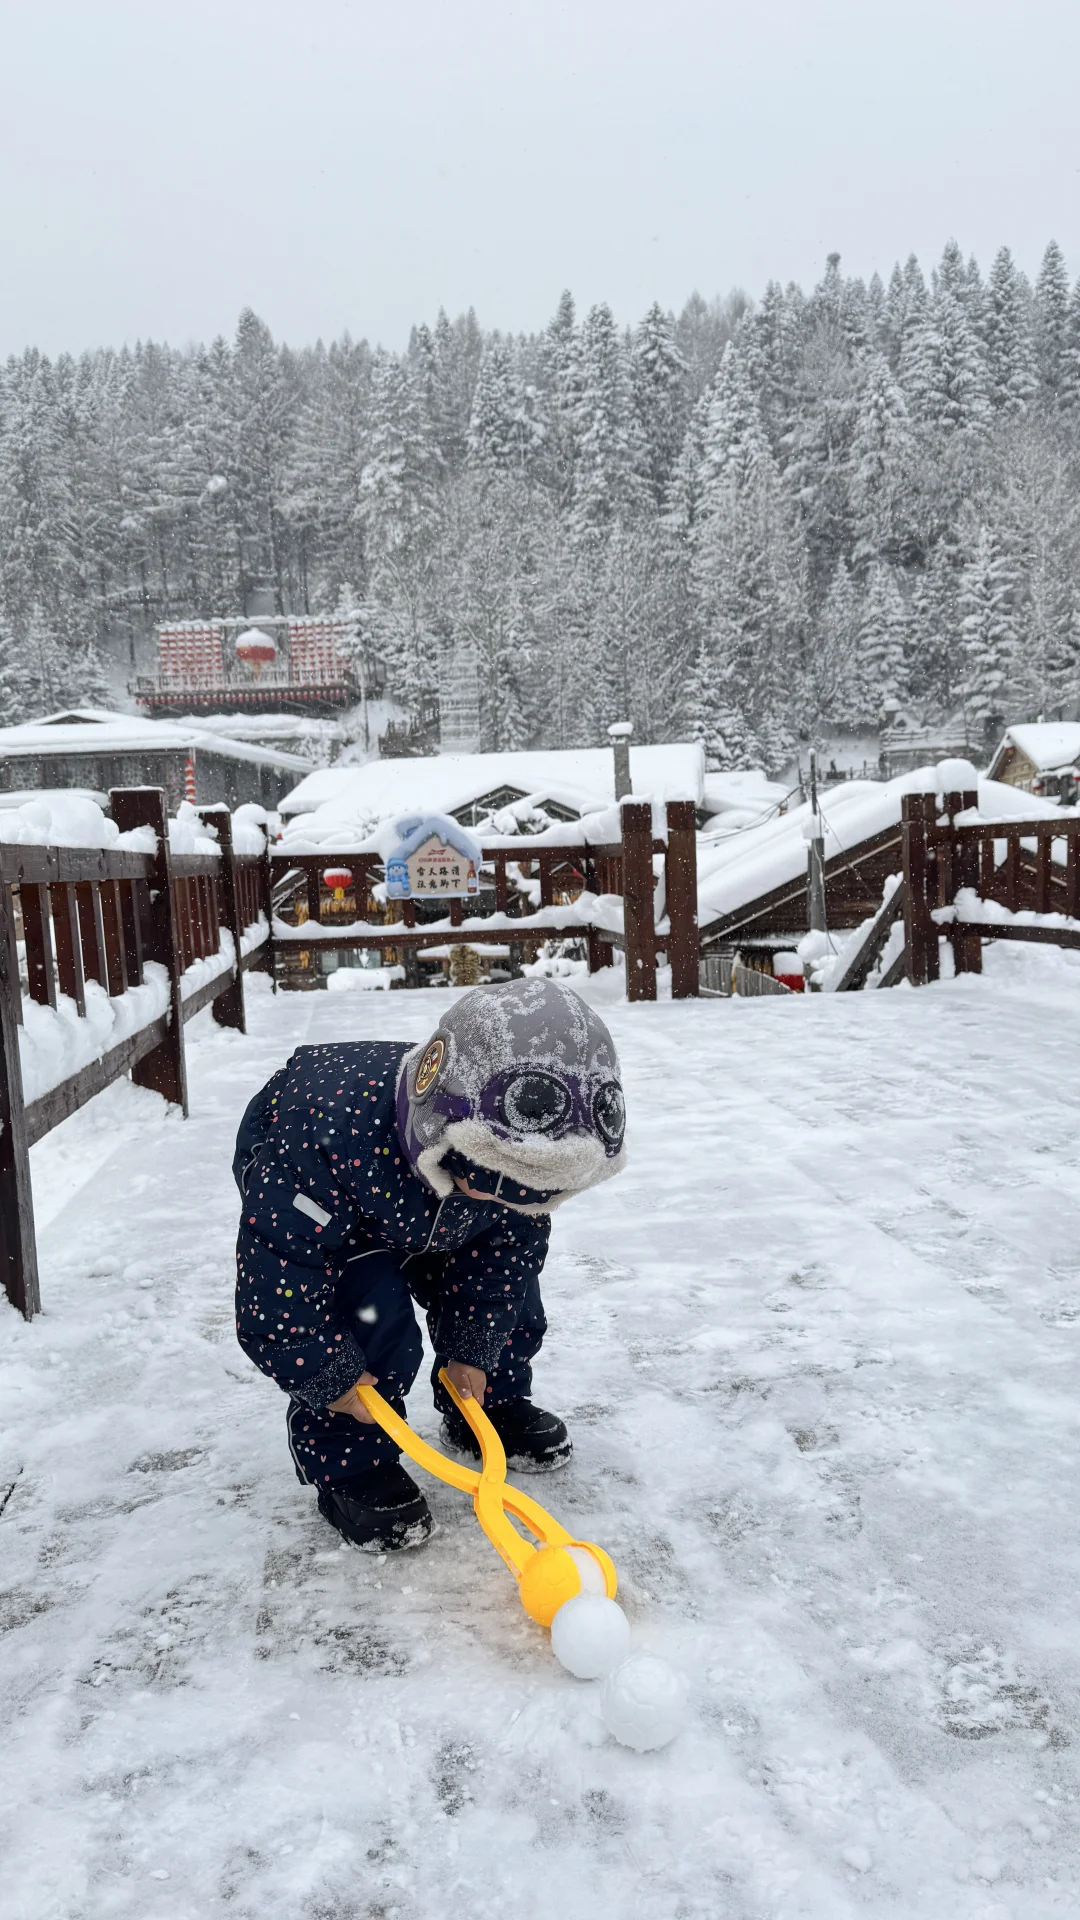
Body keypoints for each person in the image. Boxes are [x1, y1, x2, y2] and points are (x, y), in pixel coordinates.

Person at [233, 978, 627, 1552]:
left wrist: (474, 1352)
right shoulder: (322, 1136)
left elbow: (502, 1264)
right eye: (493, 1183)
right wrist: (326, 1376)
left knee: (508, 1295)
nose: (508, 1200)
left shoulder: (512, 1183)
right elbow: (280, 1282)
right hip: (335, 1203)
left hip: (430, 1205)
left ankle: (484, 1406)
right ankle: (352, 1463)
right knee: (372, 1314)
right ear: (443, 1136)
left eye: (529, 1194)